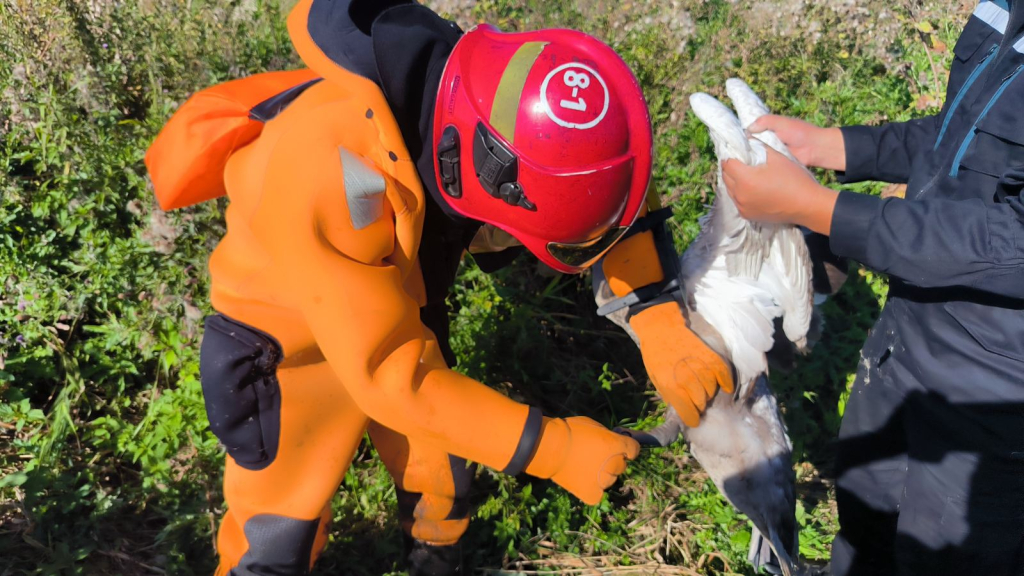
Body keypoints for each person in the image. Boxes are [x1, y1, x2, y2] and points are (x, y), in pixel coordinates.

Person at [144, 1, 734, 574]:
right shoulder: (332, 169)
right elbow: (392, 377)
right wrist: (556, 451)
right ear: (487, 179)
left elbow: (600, 177)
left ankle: (433, 559)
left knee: (441, 469)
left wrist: (654, 312)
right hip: (285, 353)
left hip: (398, 305)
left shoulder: (501, 104)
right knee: (279, 529)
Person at [722, 1, 1024, 574]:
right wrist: (835, 146)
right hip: (904, 349)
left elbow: (1013, 241)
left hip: (991, 404)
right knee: (861, 537)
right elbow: (958, 136)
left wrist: (821, 209)